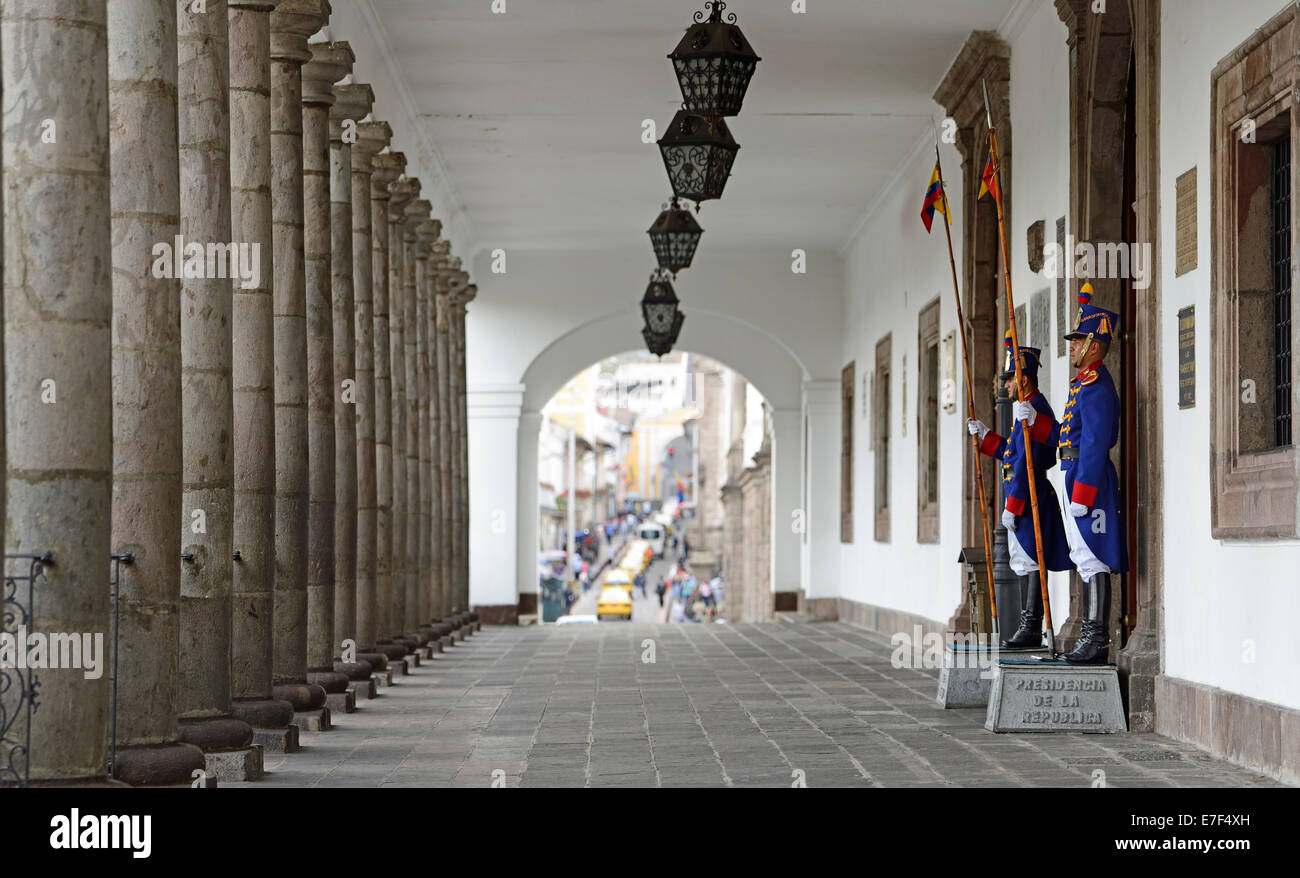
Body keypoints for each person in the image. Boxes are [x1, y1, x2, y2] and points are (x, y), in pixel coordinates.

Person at [967, 337, 1071, 648]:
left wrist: (1013, 505)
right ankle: (1029, 624)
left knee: (1030, 561)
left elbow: (1027, 462)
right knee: (1023, 560)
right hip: (1024, 495)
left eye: (1010, 379)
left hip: (1029, 497)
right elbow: (1013, 453)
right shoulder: (1026, 408)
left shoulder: (1034, 408)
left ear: (1023, 379)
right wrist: (988, 438)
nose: (1007, 386)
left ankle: (1031, 625)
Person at [1055, 286, 1129, 664]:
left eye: (1078, 340)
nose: (1072, 347)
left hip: (1090, 483)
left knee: (1094, 556)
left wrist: (1082, 494)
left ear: (1095, 346)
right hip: (1074, 475)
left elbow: (1097, 444)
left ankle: (1097, 640)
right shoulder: (1081, 384)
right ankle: (1089, 635)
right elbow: (1069, 434)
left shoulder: (1097, 385)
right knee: (1082, 555)